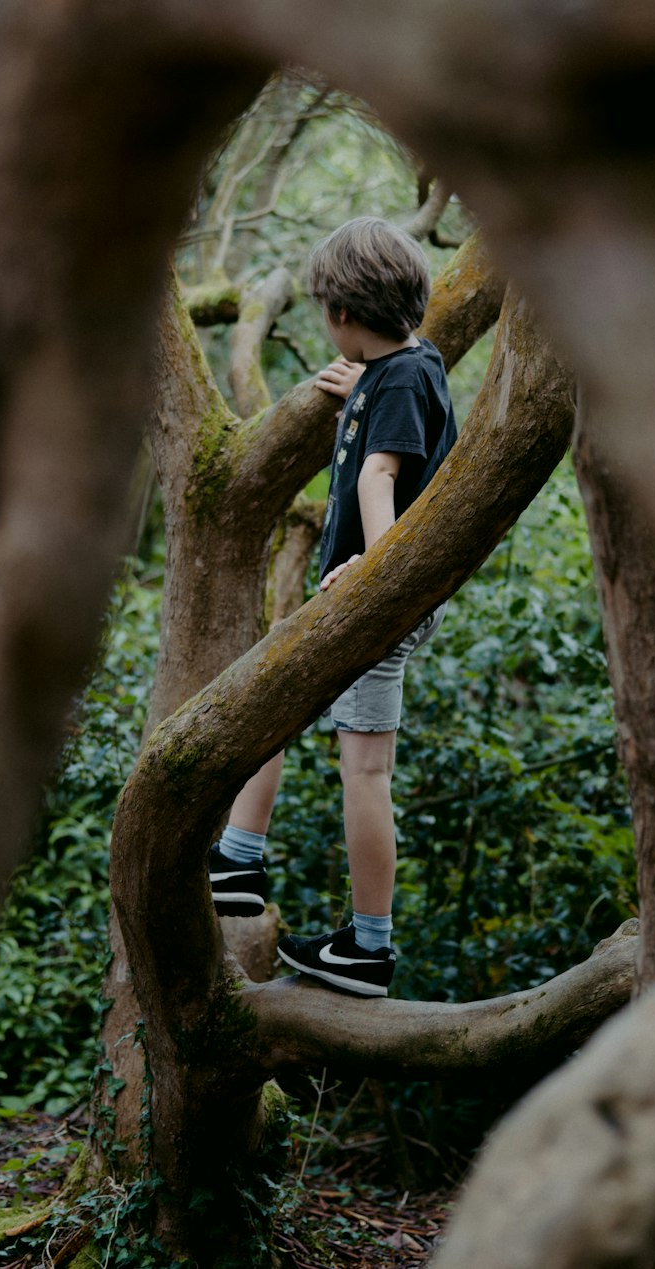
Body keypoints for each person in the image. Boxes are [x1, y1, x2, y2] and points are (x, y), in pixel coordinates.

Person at [208, 216, 457, 997]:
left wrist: (377, 580)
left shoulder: (406, 380)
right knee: (275, 698)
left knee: (365, 768)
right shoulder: (402, 370)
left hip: (379, 597)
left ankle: (369, 948)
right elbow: (403, 408)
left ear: (343, 315)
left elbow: (379, 479)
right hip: (367, 594)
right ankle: (238, 863)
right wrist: (360, 393)